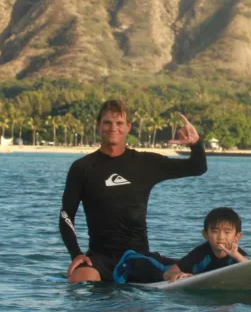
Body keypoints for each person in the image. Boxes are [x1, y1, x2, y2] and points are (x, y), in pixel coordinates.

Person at [59, 99, 207, 283]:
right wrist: (76, 254)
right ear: (98, 125)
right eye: (107, 122)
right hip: (100, 259)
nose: (113, 128)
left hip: (139, 258)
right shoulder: (82, 168)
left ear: (128, 126)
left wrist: (195, 144)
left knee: (189, 270)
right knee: (78, 279)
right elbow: (66, 215)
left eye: (119, 123)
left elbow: (197, 167)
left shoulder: (145, 163)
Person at [164, 207, 250, 282]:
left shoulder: (239, 255)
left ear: (237, 236)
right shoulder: (199, 254)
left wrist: (237, 256)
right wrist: (178, 274)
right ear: (205, 234)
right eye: (215, 231)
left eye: (227, 232)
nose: (221, 237)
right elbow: (167, 273)